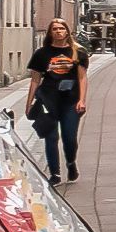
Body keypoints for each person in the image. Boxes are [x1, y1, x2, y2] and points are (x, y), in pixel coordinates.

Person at [23, 23, 87, 183]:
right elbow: (35, 80)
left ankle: (71, 163)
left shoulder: (77, 52)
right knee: (51, 137)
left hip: (70, 100)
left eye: (61, 28)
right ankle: (55, 173)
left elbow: (82, 77)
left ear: (67, 31)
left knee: (69, 137)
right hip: (48, 99)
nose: (58, 31)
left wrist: (82, 99)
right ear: (50, 32)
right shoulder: (41, 54)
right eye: (55, 29)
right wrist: (29, 102)